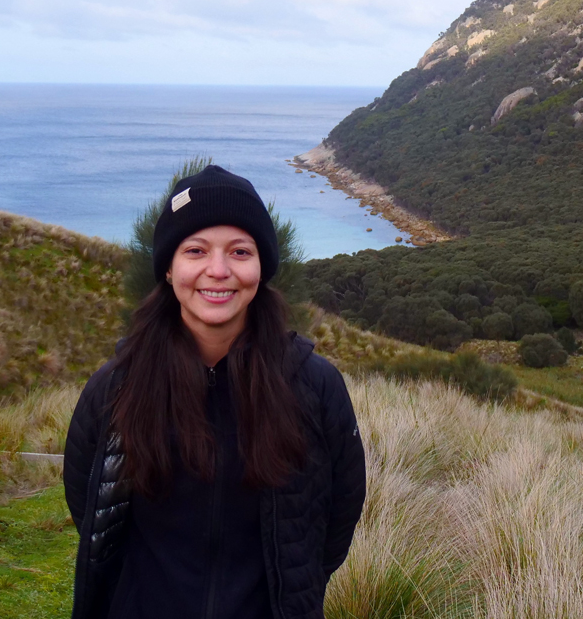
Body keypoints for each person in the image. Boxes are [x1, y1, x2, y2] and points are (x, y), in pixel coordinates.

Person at [63, 165, 366, 619]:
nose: (218, 271)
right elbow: (90, 500)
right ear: (169, 269)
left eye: (240, 251)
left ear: (261, 268)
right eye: (196, 250)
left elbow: (339, 511)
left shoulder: (314, 385)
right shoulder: (116, 386)